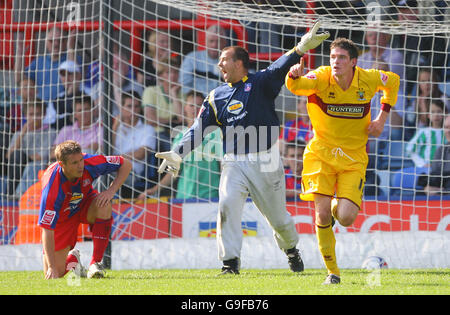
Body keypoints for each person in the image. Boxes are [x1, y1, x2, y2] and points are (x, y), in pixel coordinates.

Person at [155, 21, 330, 275]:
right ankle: (230, 263)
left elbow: (280, 65)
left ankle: (291, 249)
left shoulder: (261, 83)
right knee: (226, 205)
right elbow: (197, 129)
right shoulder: (216, 97)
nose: (219, 64)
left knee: (278, 220)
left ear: (239, 63)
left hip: (266, 160)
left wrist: (302, 47)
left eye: (224, 59)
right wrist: (177, 152)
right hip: (233, 161)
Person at [286, 37, 400, 284]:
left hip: (354, 158)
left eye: (342, 57)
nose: (336, 62)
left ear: (354, 62)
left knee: (347, 217)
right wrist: (294, 76)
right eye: (333, 57)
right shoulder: (321, 77)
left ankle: (334, 206)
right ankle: (333, 273)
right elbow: (297, 87)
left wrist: (382, 117)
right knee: (323, 214)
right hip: (320, 155)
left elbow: (393, 81)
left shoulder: (368, 79)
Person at [38, 140, 132, 279]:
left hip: (85, 204)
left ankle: (96, 263)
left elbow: (125, 164)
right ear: (61, 164)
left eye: (80, 160)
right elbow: (47, 229)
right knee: (55, 273)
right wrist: (52, 267)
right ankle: (74, 260)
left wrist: (111, 191)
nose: (80, 165)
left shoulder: (90, 162)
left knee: (104, 204)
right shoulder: (52, 189)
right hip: (62, 220)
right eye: (74, 163)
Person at [138, 90, 222, 200]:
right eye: (191, 105)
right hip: (184, 197)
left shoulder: (215, 133)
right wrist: (155, 189)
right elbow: (173, 171)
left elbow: (223, 165)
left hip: (211, 196)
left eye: (199, 105)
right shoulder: (180, 137)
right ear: (185, 108)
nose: (195, 109)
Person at [6, 100, 57, 198]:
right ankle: (10, 193)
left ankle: (17, 194)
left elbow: (41, 156)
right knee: (17, 155)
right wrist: (22, 133)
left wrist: (24, 157)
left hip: (38, 165)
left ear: (44, 114)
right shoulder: (19, 133)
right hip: (19, 164)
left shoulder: (50, 132)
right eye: (31, 114)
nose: (34, 117)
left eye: (37, 114)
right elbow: (9, 156)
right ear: (25, 115)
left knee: (21, 158)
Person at [112, 91, 157, 198]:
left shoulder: (148, 129)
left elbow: (140, 154)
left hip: (132, 173)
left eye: (136, 106)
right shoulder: (115, 129)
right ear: (121, 108)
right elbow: (105, 150)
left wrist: (117, 158)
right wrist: (114, 128)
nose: (133, 110)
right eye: (129, 106)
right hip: (112, 167)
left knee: (104, 173)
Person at [178, 24, 227, 97]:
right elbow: (183, 85)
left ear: (225, 43)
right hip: (196, 103)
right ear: (206, 42)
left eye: (218, 41)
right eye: (211, 41)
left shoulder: (231, 60)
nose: (214, 45)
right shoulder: (192, 58)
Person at [142, 58, 183, 144]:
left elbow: (182, 119)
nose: (173, 75)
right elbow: (150, 119)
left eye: (175, 72)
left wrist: (174, 94)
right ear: (160, 75)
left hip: (179, 134)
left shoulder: (183, 94)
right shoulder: (151, 91)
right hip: (157, 134)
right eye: (168, 72)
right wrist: (171, 122)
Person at [51, 94, 102, 159]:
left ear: (93, 111)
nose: (83, 113)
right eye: (80, 110)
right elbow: (52, 153)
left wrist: (66, 151)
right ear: (74, 114)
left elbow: (101, 151)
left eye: (86, 109)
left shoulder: (100, 130)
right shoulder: (65, 130)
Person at [422, 115, 450, 195]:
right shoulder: (440, 151)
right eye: (446, 127)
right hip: (442, 193)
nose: (448, 131)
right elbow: (435, 176)